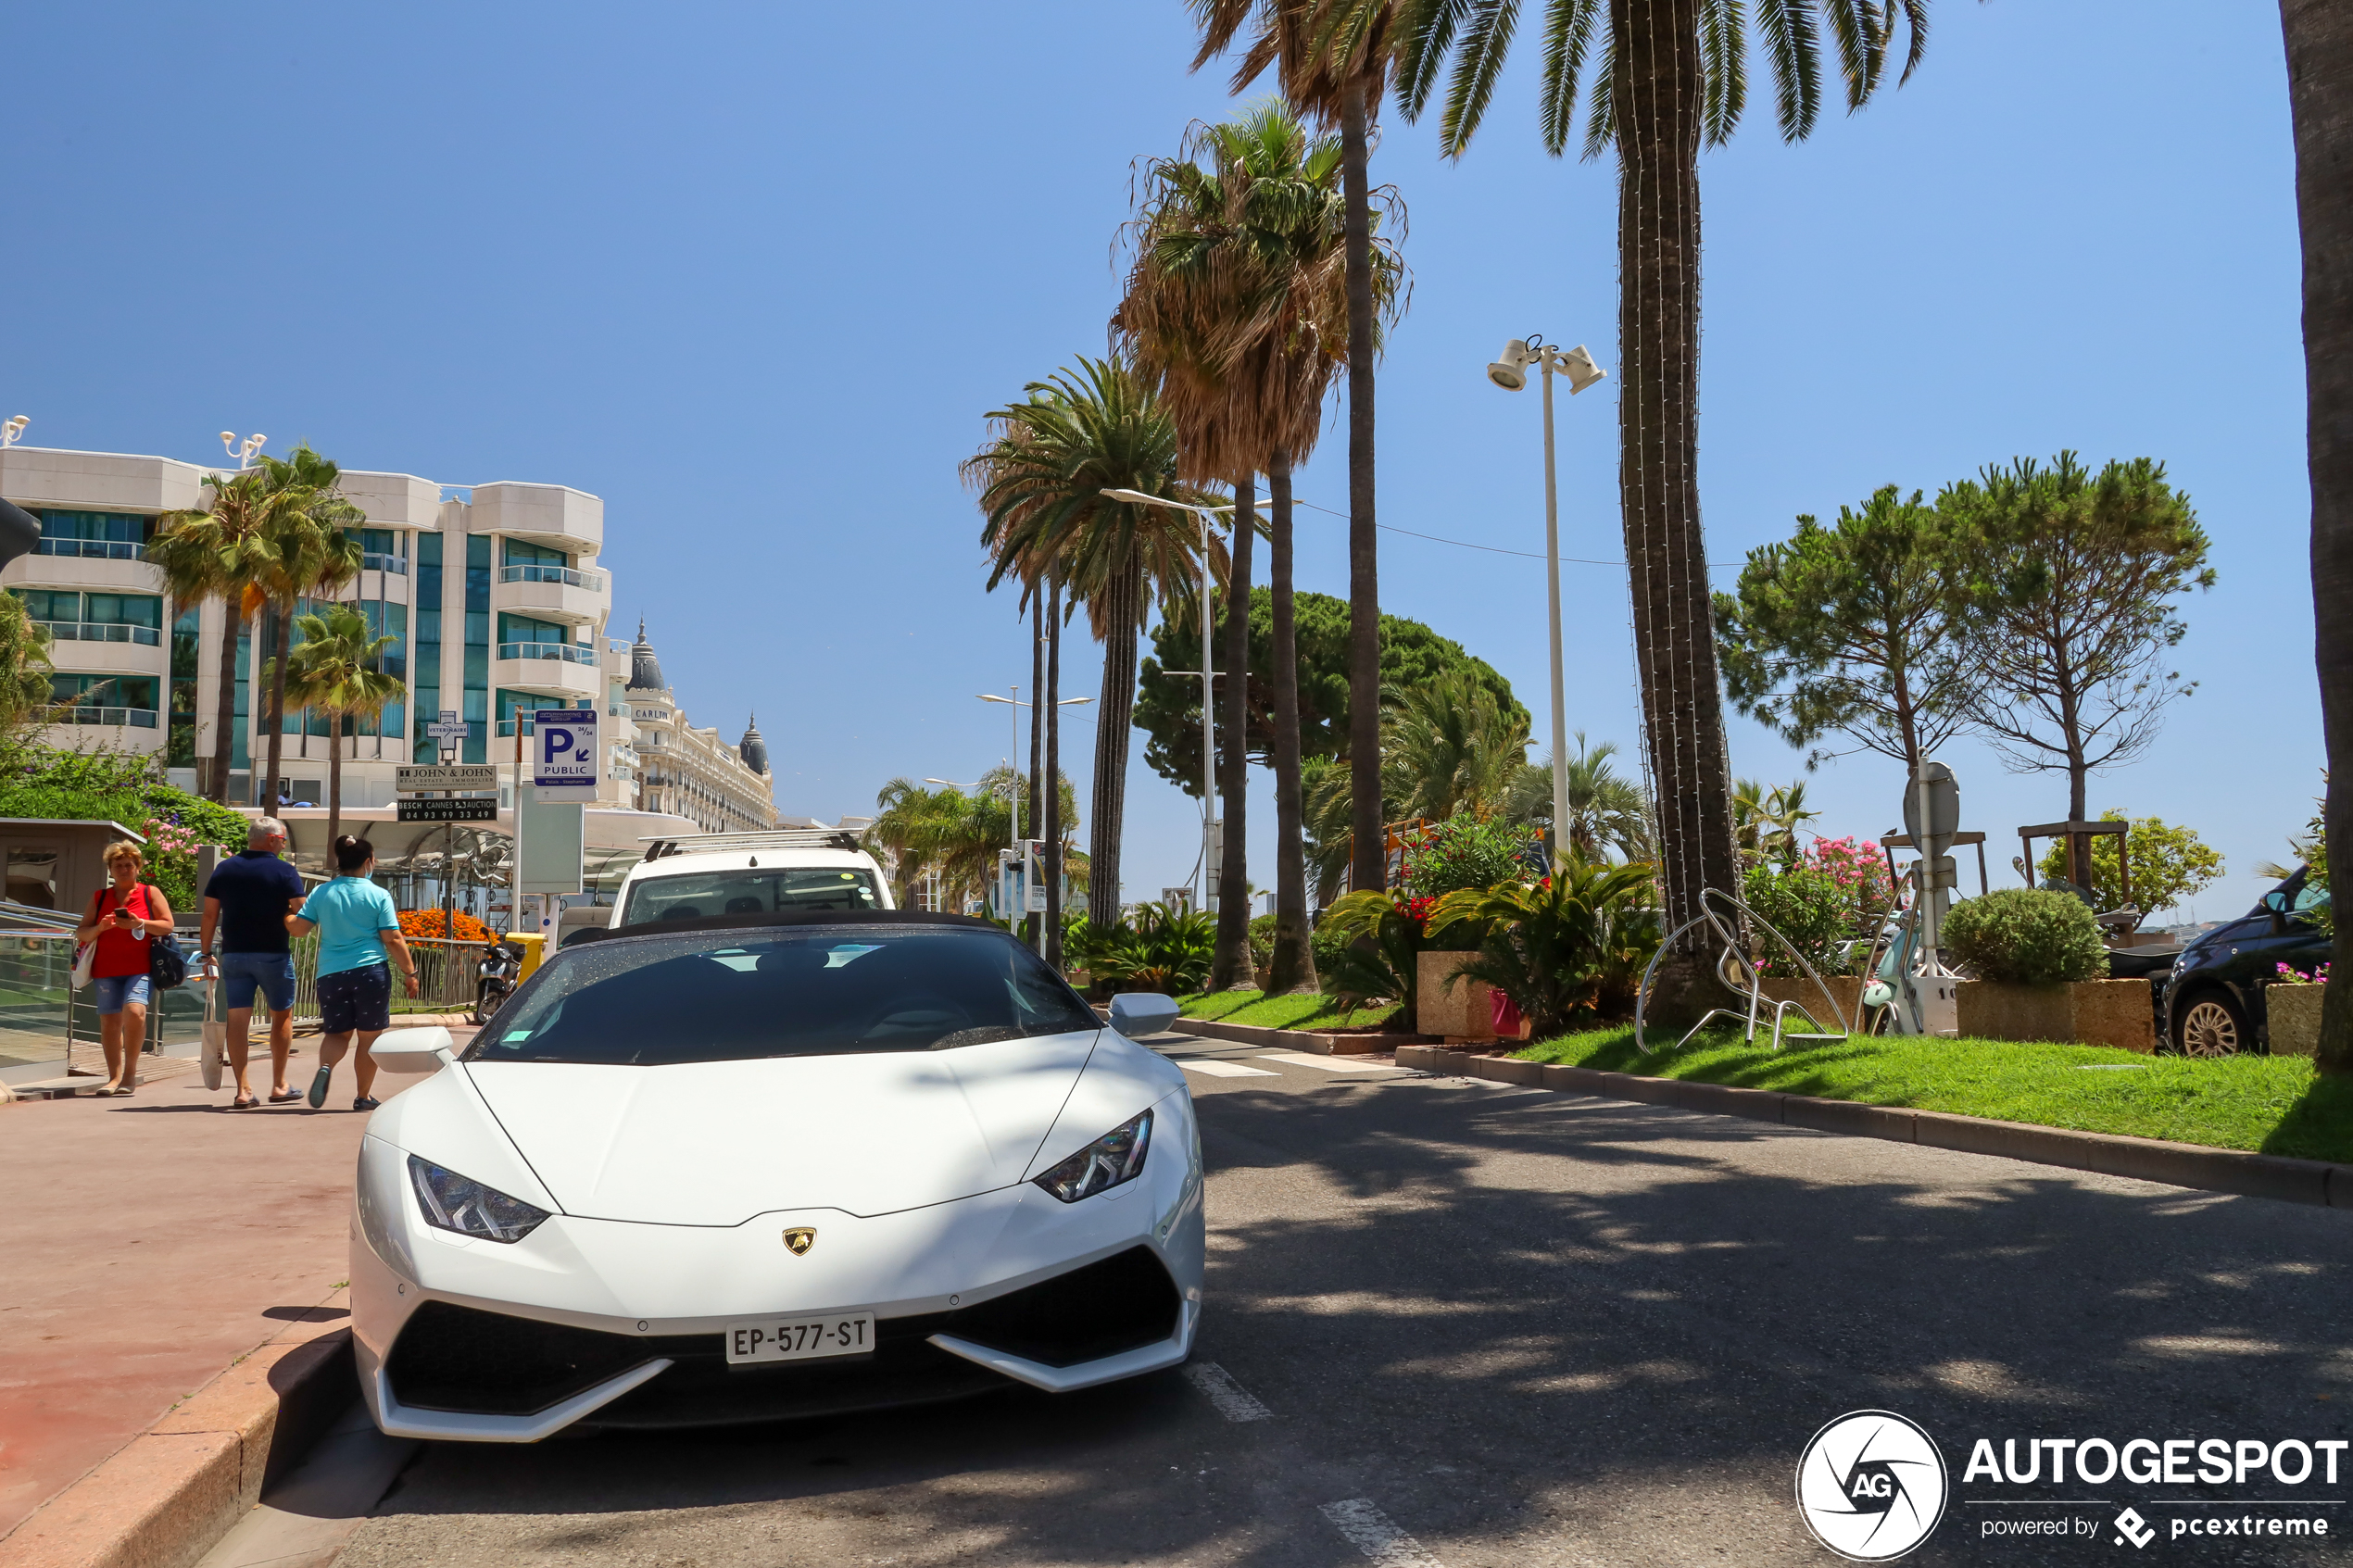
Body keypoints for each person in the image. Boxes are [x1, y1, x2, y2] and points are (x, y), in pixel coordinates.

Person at [289, 835, 418, 1111]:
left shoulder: (322, 892)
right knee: (369, 1037)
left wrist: (285, 916)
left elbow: (299, 930)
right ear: (368, 861)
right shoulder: (378, 894)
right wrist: (410, 971)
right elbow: (393, 938)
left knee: (337, 1033)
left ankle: (326, 1066)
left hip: (331, 974)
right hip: (370, 971)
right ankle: (363, 1096)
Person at [198, 817, 308, 1110]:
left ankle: (243, 1090)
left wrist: (206, 951)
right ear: (272, 838)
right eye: (283, 840)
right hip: (273, 954)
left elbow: (209, 915)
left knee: (238, 1020)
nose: (284, 845)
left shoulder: (225, 868)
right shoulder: (284, 870)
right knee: (281, 1016)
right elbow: (302, 911)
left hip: (234, 955)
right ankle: (279, 1084)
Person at [73, 840, 174, 1097]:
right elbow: (81, 933)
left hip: (140, 967)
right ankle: (113, 1078)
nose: (124, 869)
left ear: (138, 867)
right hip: (106, 968)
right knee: (109, 1023)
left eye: (129, 865)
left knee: (135, 1012)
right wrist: (101, 928)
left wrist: (140, 923)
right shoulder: (101, 897)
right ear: (110, 869)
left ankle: (130, 1074)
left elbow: (167, 925)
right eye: (118, 865)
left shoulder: (150, 893)